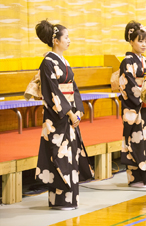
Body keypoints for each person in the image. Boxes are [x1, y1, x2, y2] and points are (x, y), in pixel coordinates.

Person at [34, 20, 94, 210]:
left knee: (70, 155)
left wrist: (78, 111)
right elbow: (52, 91)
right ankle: (59, 200)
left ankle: (70, 199)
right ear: (56, 40)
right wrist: (68, 112)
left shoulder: (64, 62)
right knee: (58, 155)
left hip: (68, 116)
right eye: (66, 37)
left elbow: (73, 89)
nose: (69, 40)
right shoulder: (47, 62)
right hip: (56, 117)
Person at [119, 21, 146, 187]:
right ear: (131, 41)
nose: (144, 44)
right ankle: (135, 178)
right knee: (135, 140)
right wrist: (142, 96)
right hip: (134, 107)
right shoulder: (127, 61)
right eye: (140, 41)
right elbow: (128, 85)